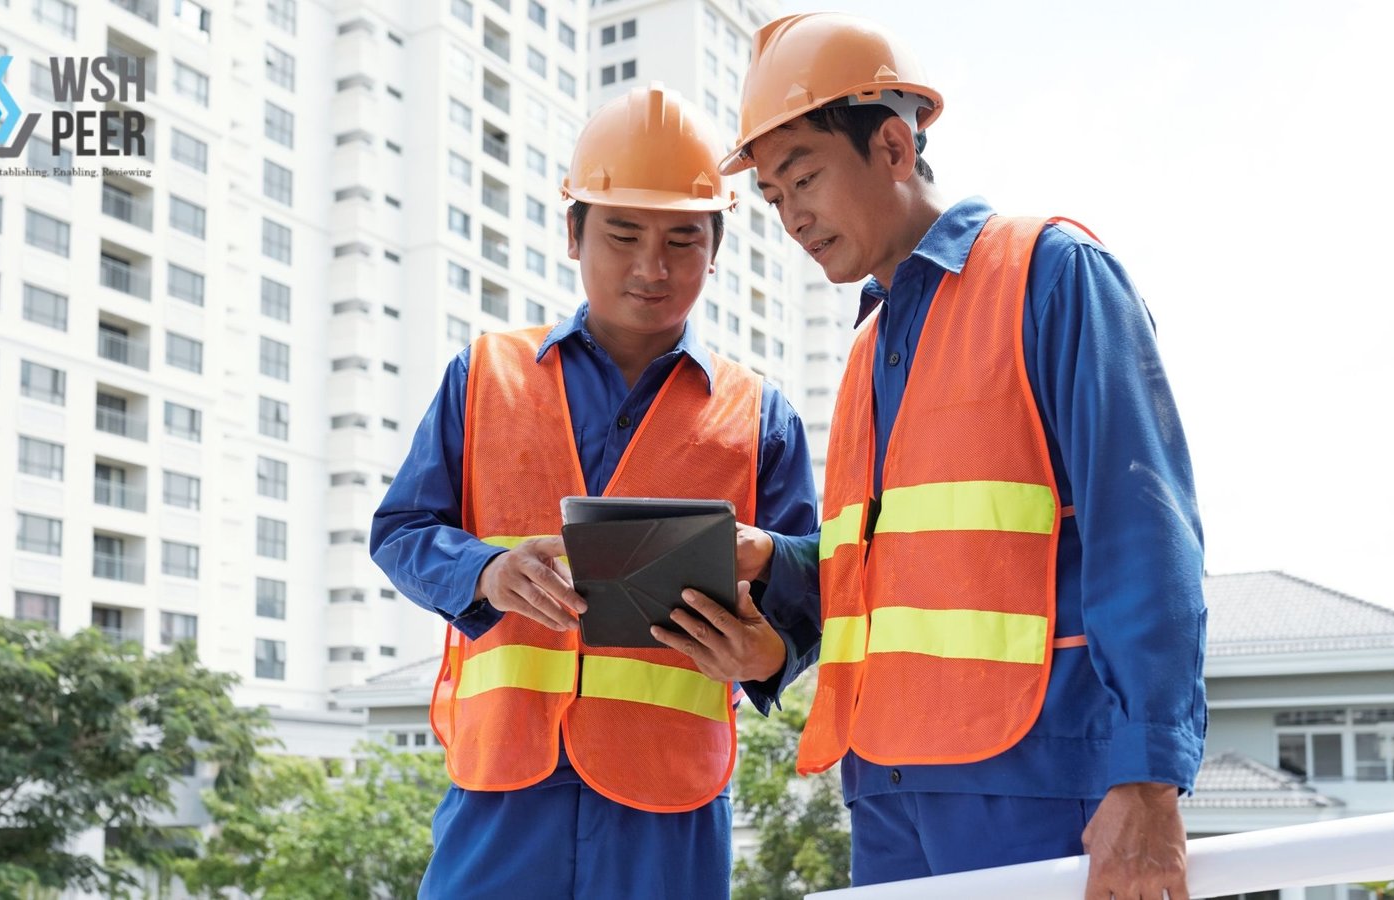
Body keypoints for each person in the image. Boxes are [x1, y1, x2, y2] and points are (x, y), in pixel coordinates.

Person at [715, 12, 1208, 899]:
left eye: (804, 178)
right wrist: (779, 565)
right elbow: (906, 570)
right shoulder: (869, 347)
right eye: (773, 196)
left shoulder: (1051, 274)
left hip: (1038, 781)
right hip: (890, 796)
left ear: (895, 148)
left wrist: (1148, 775)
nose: (790, 216)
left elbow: (1144, 531)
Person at [370, 83, 820, 900]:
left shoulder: (760, 418)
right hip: (501, 793)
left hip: (669, 809)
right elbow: (401, 529)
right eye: (622, 234)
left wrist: (771, 655)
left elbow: (810, 589)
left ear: (715, 250)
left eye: (683, 241)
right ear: (573, 232)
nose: (652, 268)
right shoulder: (484, 378)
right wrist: (485, 575)